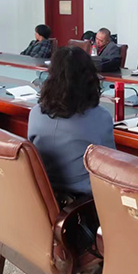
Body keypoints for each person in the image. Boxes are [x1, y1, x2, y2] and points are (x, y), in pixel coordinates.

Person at [28, 46, 115, 197]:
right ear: (90, 78)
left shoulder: (35, 113)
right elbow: (112, 168)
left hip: (44, 195)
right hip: (85, 199)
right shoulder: (100, 117)